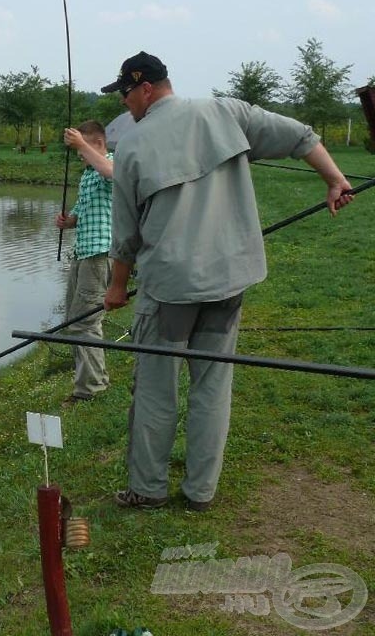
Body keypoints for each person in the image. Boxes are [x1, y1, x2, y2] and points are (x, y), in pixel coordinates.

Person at [101, 51, 354, 512]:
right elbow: (301, 137)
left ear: (145, 88)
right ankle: (201, 492)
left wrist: (117, 289)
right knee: (213, 385)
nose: (125, 105)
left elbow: (126, 236)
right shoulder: (227, 111)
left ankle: (149, 489)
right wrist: (335, 179)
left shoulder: (133, 146)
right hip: (229, 280)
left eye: (125, 94)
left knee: (157, 387)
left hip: (169, 289)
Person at [54, 119, 114, 404]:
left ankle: (90, 389)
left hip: (100, 254)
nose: (79, 154)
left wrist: (81, 145)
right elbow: (79, 212)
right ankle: (91, 379)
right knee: (73, 320)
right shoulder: (88, 174)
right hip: (82, 253)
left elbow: (112, 173)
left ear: (99, 143)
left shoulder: (112, 163)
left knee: (85, 322)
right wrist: (67, 221)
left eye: (82, 146)